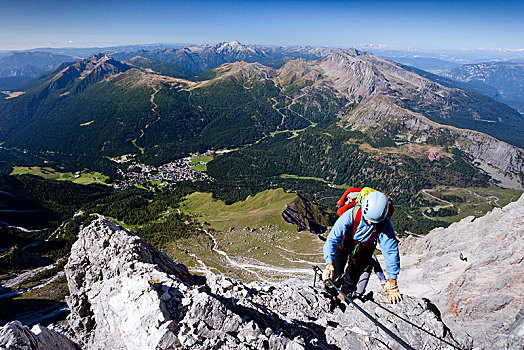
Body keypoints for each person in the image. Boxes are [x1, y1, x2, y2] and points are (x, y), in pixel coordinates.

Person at [322, 191, 402, 304]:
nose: (370, 223)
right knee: (335, 273)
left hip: (363, 251)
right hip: (345, 244)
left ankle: (341, 299)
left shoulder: (384, 223)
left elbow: (390, 250)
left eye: (374, 222)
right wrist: (329, 262)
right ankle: (330, 295)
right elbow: (332, 239)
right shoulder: (351, 214)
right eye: (368, 220)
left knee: (351, 280)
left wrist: (392, 281)